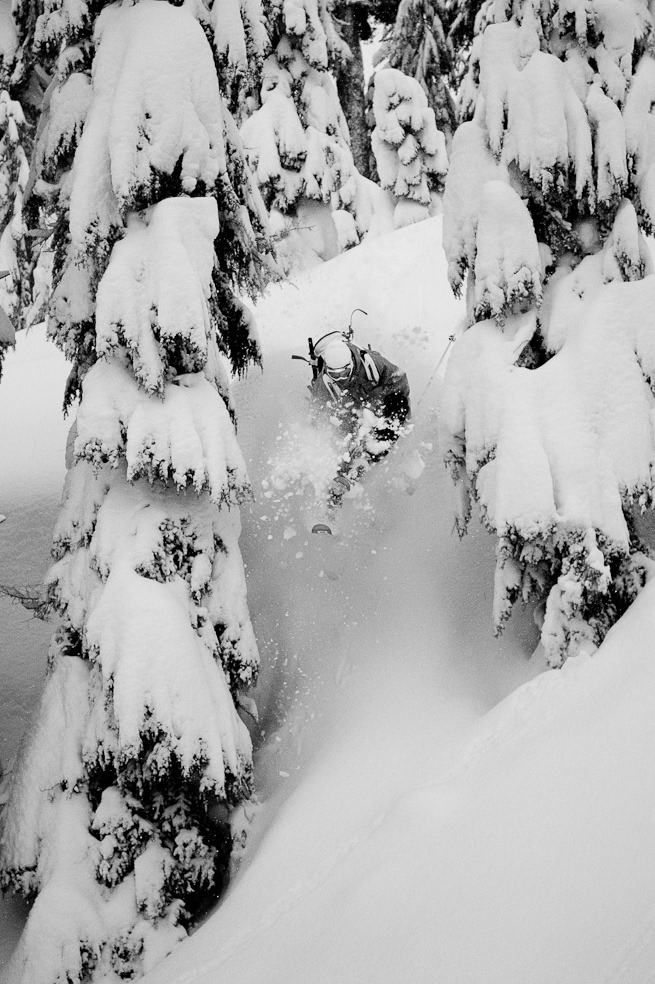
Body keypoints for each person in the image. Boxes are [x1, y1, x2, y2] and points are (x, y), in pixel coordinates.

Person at [308, 331, 411, 496]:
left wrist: (372, 407)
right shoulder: (324, 384)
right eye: (335, 375)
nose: (340, 378)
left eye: (343, 373)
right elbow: (319, 413)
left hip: (382, 407)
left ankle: (371, 456)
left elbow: (400, 383)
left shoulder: (373, 364)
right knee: (342, 440)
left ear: (351, 364)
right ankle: (338, 487)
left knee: (395, 408)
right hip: (351, 416)